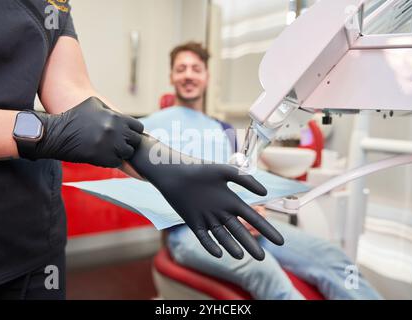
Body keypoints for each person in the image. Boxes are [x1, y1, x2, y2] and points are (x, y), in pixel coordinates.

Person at [0, 1, 283, 300]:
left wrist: (158, 160)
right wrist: (48, 132)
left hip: (36, 233)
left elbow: (71, 89)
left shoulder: (53, 4)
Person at [141, 41, 383, 300]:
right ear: (171, 76)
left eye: (195, 68)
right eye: (181, 69)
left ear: (206, 76)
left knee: (331, 255)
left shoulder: (224, 131)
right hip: (189, 230)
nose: (188, 74)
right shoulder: (152, 128)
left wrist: (254, 208)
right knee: (262, 268)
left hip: (241, 223)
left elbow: (240, 180)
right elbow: (148, 190)